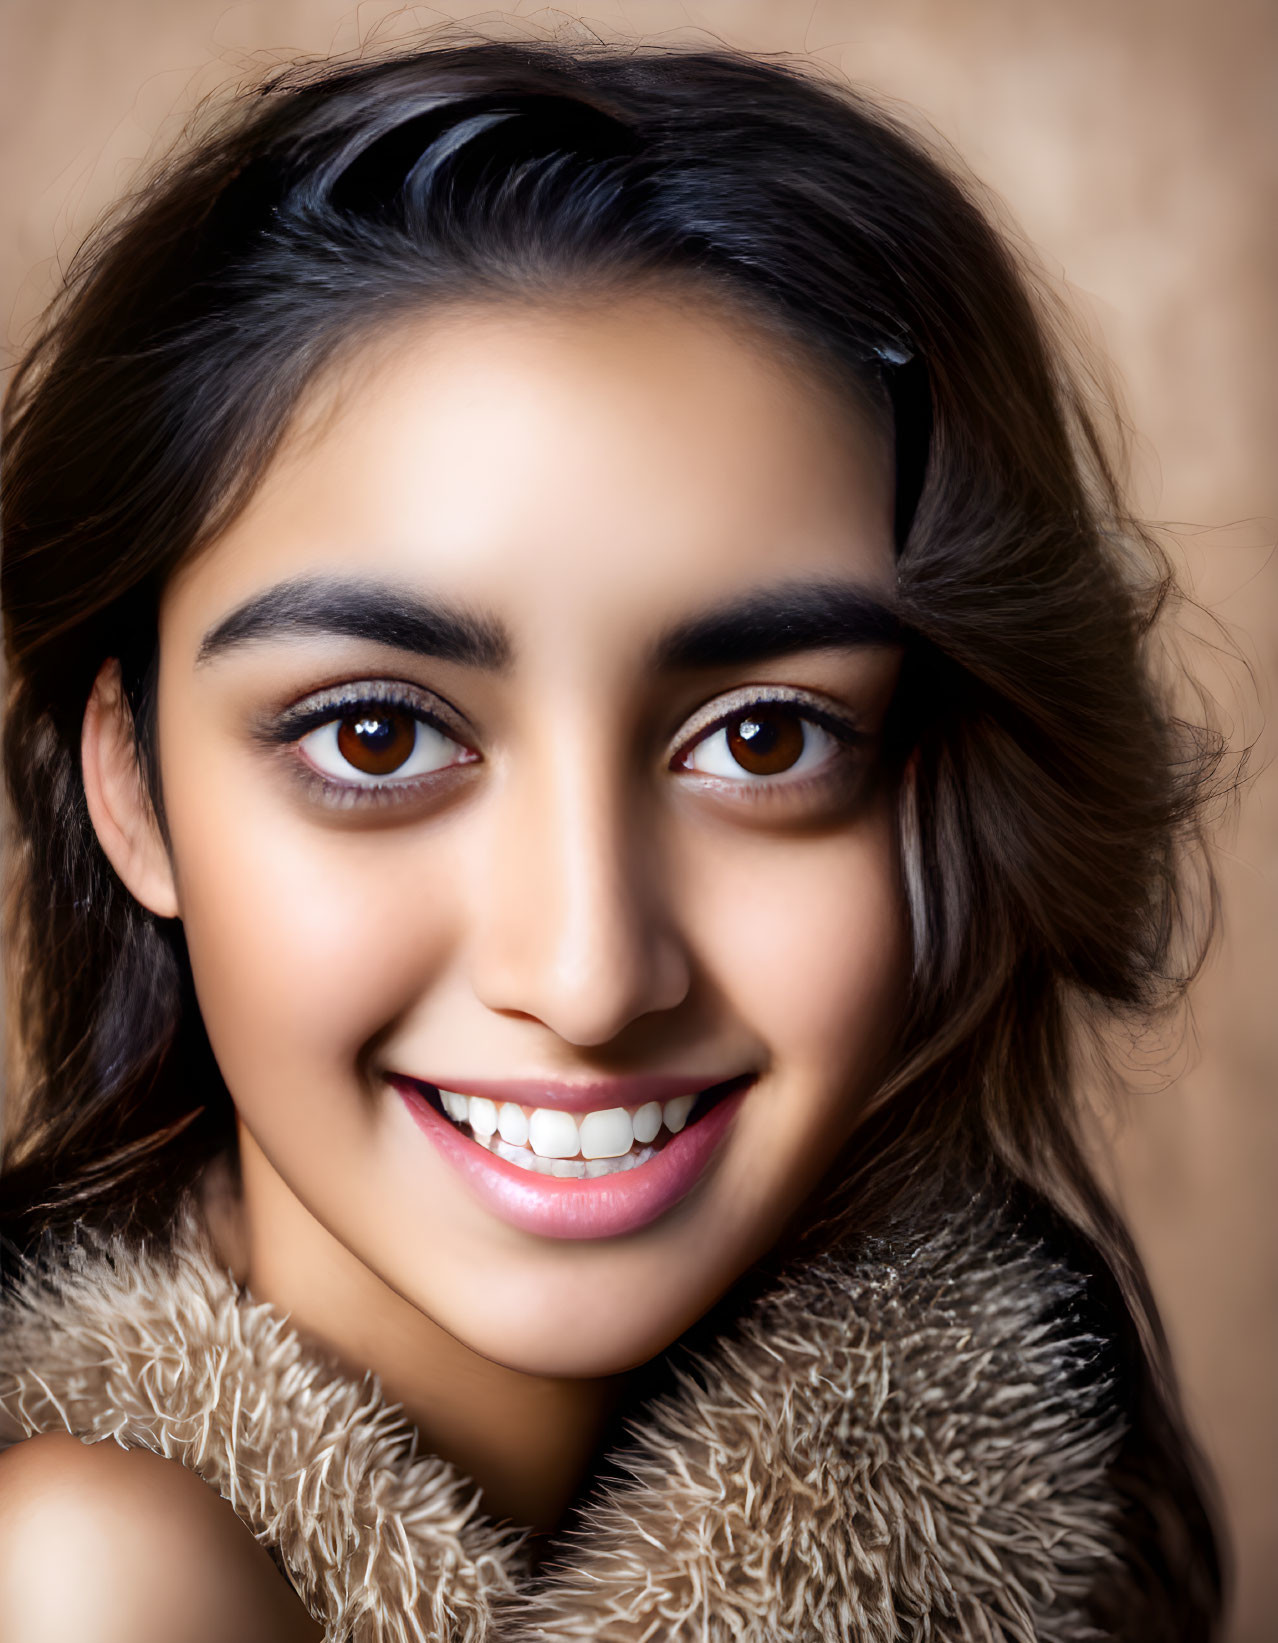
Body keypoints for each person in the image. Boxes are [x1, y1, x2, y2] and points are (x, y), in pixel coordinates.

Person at [0, 34, 1226, 1642]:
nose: (587, 975)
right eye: (376, 737)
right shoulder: (82, 1576)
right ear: (135, 789)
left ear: (946, 789)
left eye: (762, 739)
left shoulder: (1036, 1543)